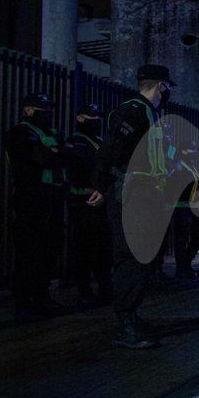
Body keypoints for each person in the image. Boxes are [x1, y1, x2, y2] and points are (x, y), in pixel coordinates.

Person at [90, 64, 175, 349]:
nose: (168, 93)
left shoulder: (149, 114)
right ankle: (126, 322)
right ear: (160, 86)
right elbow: (112, 150)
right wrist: (101, 186)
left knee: (141, 258)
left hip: (144, 197)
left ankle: (132, 316)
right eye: (167, 87)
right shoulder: (134, 112)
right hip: (131, 197)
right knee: (130, 258)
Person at [4, 92, 67, 321]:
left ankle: (42, 298)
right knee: (28, 252)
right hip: (30, 199)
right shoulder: (20, 133)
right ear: (28, 110)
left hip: (51, 199)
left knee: (48, 251)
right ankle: (23, 303)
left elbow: (63, 157)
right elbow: (43, 158)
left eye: (49, 109)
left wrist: (57, 154)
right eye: (42, 109)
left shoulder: (50, 133)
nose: (48, 113)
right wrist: (57, 153)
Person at [61, 103, 112, 308]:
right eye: (91, 118)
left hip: (102, 202)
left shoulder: (98, 141)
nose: (96, 122)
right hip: (82, 202)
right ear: (80, 118)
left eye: (97, 118)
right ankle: (84, 290)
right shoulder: (75, 142)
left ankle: (105, 288)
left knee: (102, 248)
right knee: (83, 248)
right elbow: (85, 166)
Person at [171, 140, 199, 279]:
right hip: (181, 207)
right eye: (192, 150)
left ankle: (186, 264)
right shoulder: (179, 166)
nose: (195, 153)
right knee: (181, 239)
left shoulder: (191, 166)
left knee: (198, 236)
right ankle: (181, 268)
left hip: (194, 207)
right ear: (184, 151)